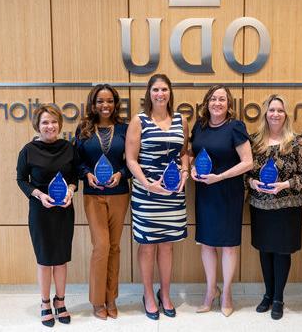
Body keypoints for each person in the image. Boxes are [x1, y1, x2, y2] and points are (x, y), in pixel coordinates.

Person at [125, 74, 189, 320]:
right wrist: (148, 184)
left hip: (173, 194)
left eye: (164, 89)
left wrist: (184, 171)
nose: (160, 94)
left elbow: (184, 152)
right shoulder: (139, 121)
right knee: (148, 245)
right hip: (147, 193)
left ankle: (166, 293)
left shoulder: (181, 120)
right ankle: (148, 294)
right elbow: (131, 159)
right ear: (149, 94)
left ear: (170, 92)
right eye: (155, 90)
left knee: (167, 245)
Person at [246, 95, 302, 320]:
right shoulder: (254, 141)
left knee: (282, 251)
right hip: (260, 206)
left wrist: (284, 185)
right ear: (265, 113)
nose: (275, 114)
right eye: (271, 110)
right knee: (265, 250)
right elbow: (245, 171)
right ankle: (267, 294)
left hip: (288, 208)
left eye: (280, 110)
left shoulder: (297, 142)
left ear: (286, 115)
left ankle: (278, 298)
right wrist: (251, 182)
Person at [190, 85, 253, 317]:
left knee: (228, 245)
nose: (217, 103)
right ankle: (210, 291)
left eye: (222, 99)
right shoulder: (200, 126)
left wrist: (221, 176)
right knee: (207, 243)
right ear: (207, 102)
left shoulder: (235, 127)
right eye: (214, 99)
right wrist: (193, 168)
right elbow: (192, 152)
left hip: (228, 192)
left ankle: (226, 293)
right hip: (205, 193)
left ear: (229, 104)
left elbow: (248, 162)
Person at [16, 105, 78, 327]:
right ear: (37, 125)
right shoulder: (28, 150)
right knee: (44, 260)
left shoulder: (69, 148)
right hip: (40, 211)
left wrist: (71, 191)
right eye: (45, 122)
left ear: (60, 124)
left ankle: (60, 301)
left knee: (61, 260)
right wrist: (39, 194)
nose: (50, 126)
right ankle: (44, 303)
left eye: (53, 122)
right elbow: (21, 179)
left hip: (64, 211)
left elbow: (74, 177)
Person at [74, 84, 130, 320]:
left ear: (115, 103)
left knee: (115, 247)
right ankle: (97, 301)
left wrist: (122, 173)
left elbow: (133, 160)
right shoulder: (84, 129)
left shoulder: (125, 130)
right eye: (100, 101)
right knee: (101, 247)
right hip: (93, 194)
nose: (105, 105)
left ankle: (111, 298)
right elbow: (76, 161)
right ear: (93, 104)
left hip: (119, 193)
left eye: (109, 101)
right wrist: (87, 174)